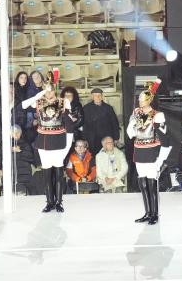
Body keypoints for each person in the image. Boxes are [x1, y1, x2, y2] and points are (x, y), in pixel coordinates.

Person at [23, 70, 78, 213]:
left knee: (58, 173)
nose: (49, 94)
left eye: (51, 91)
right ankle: (49, 202)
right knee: (47, 173)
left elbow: (69, 125)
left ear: (55, 90)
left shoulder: (63, 102)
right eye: (46, 91)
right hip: (43, 142)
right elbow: (24, 105)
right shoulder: (39, 102)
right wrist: (39, 94)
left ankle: (59, 202)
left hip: (59, 141)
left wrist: (67, 145)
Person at [127, 79, 170, 224]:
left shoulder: (157, 115)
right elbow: (131, 134)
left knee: (152, 185)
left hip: (152, 152)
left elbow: (165, 139)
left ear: (149, 100)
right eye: (139, 99)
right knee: (143, 184)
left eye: (142, 99)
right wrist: (132, 123)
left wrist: (160, 159)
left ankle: (154, 214)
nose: (139, 101)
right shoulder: (136, 112)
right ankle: (147, 212)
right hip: (139, 152)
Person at [82, 88, 120, 156]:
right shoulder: (86, 108)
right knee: (93, 156)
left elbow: (114, 123)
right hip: (92, 139)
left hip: (106, 138)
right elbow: (84, 125)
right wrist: (84, 139)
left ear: (102, 96)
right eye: (95, 95)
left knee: (107, 155)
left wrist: (116, 138)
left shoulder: (108, 108)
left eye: (99, 95)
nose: (98, 97)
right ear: (92, 97)